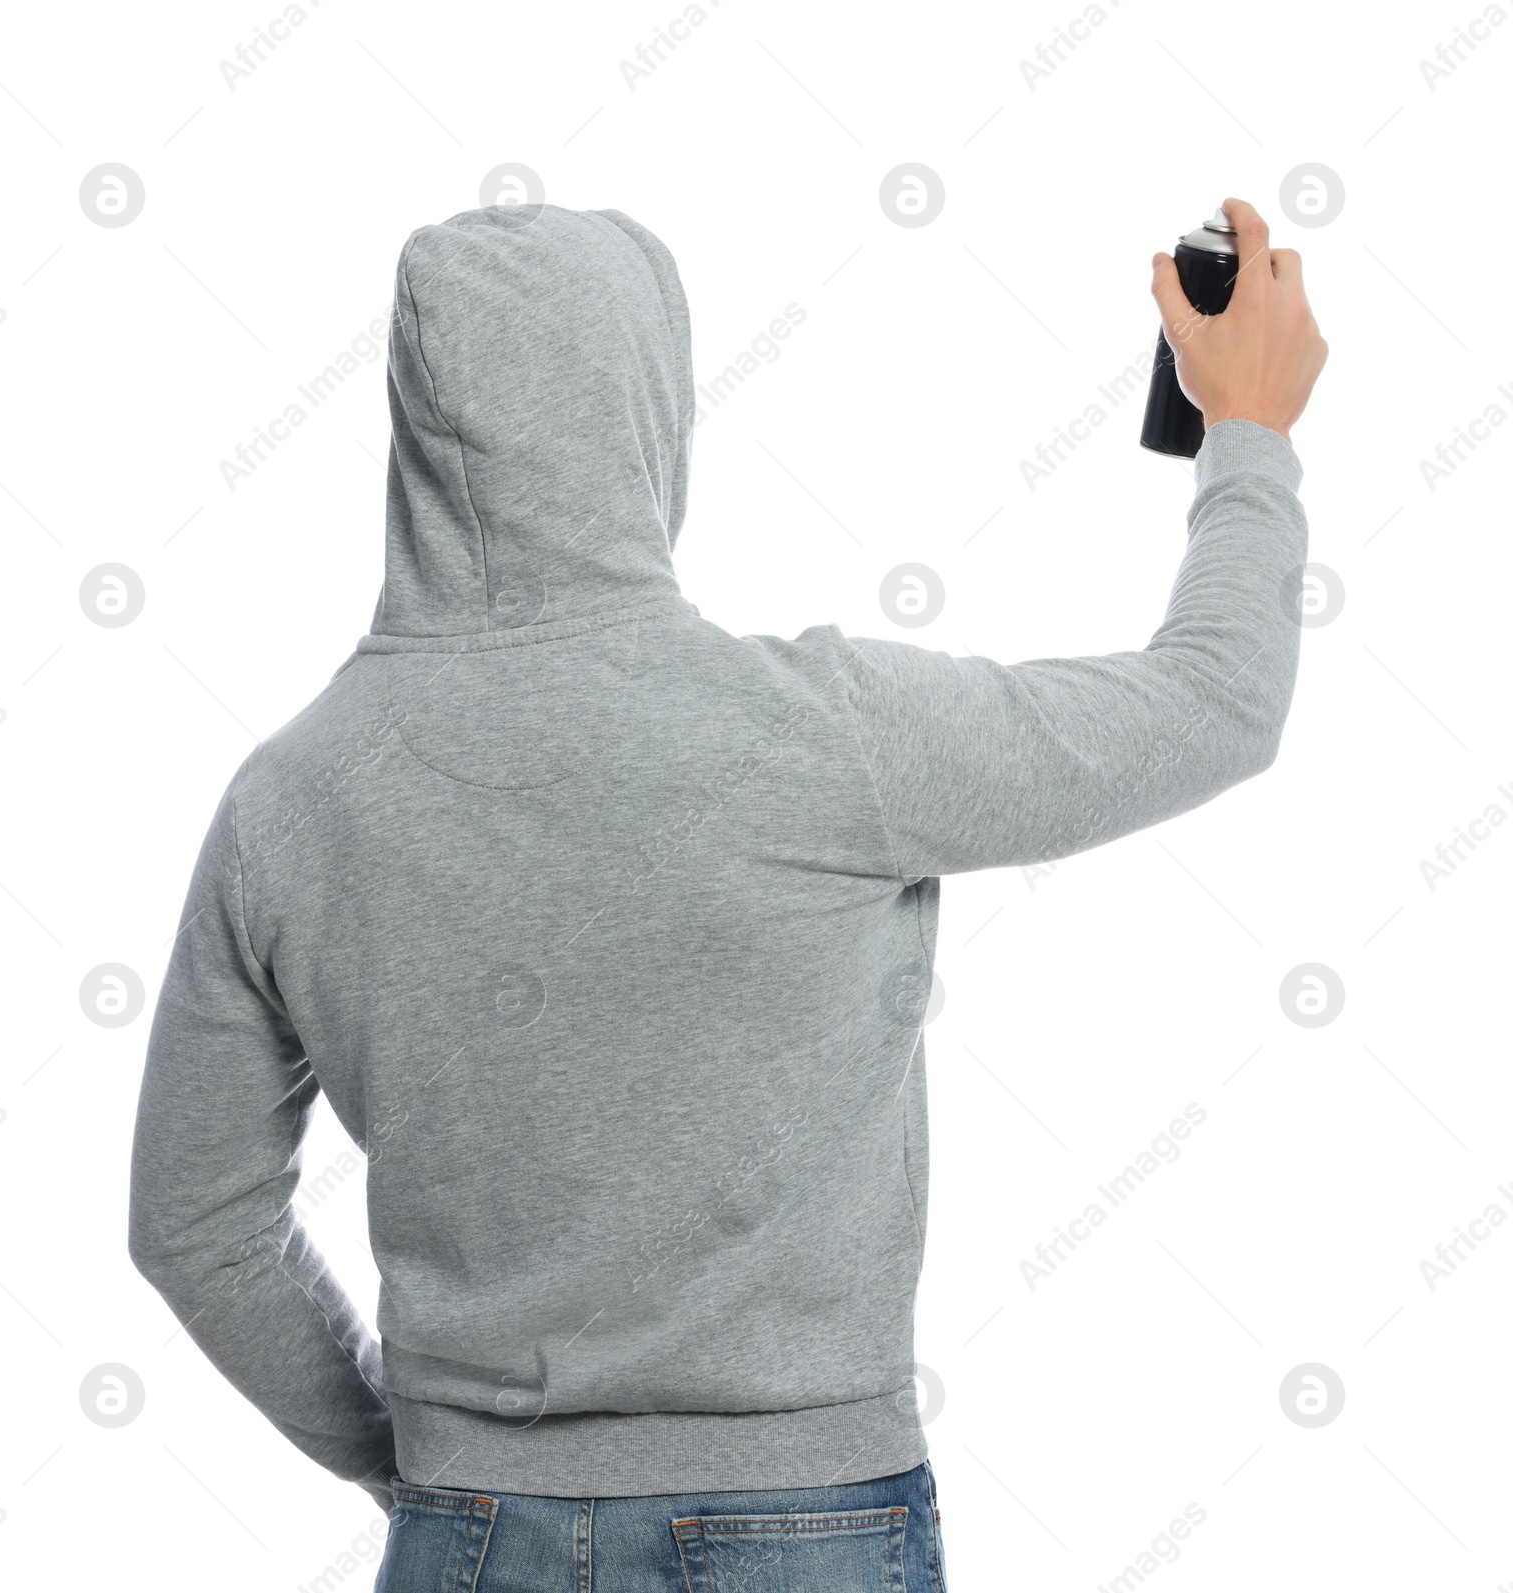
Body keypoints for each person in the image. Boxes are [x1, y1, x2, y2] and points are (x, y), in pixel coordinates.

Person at [128, 195, 1325, 1592]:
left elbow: (192, 1225)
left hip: (473, 1525)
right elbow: (1219, 702)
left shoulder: (293, 802)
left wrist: (424, 1459)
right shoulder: (826, 735)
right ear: (652, 411)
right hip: (806, 1521)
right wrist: (1247, 430)